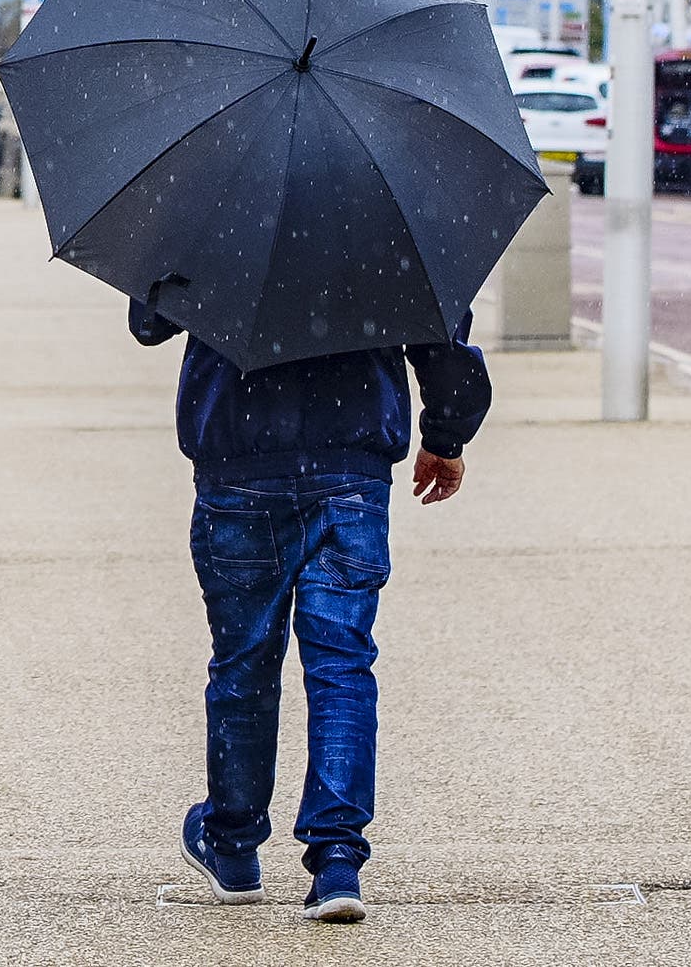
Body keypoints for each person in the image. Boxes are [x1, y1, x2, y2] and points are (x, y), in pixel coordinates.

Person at [130, 300, 490, 925]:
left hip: (239, 459)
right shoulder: (391, 211)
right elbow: (441, 333)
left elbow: (149, 323)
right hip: (351, 464)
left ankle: (234, 843)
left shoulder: (209, 205)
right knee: (342, 664)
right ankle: (336, 860)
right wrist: (445, 433)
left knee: (243, 661)